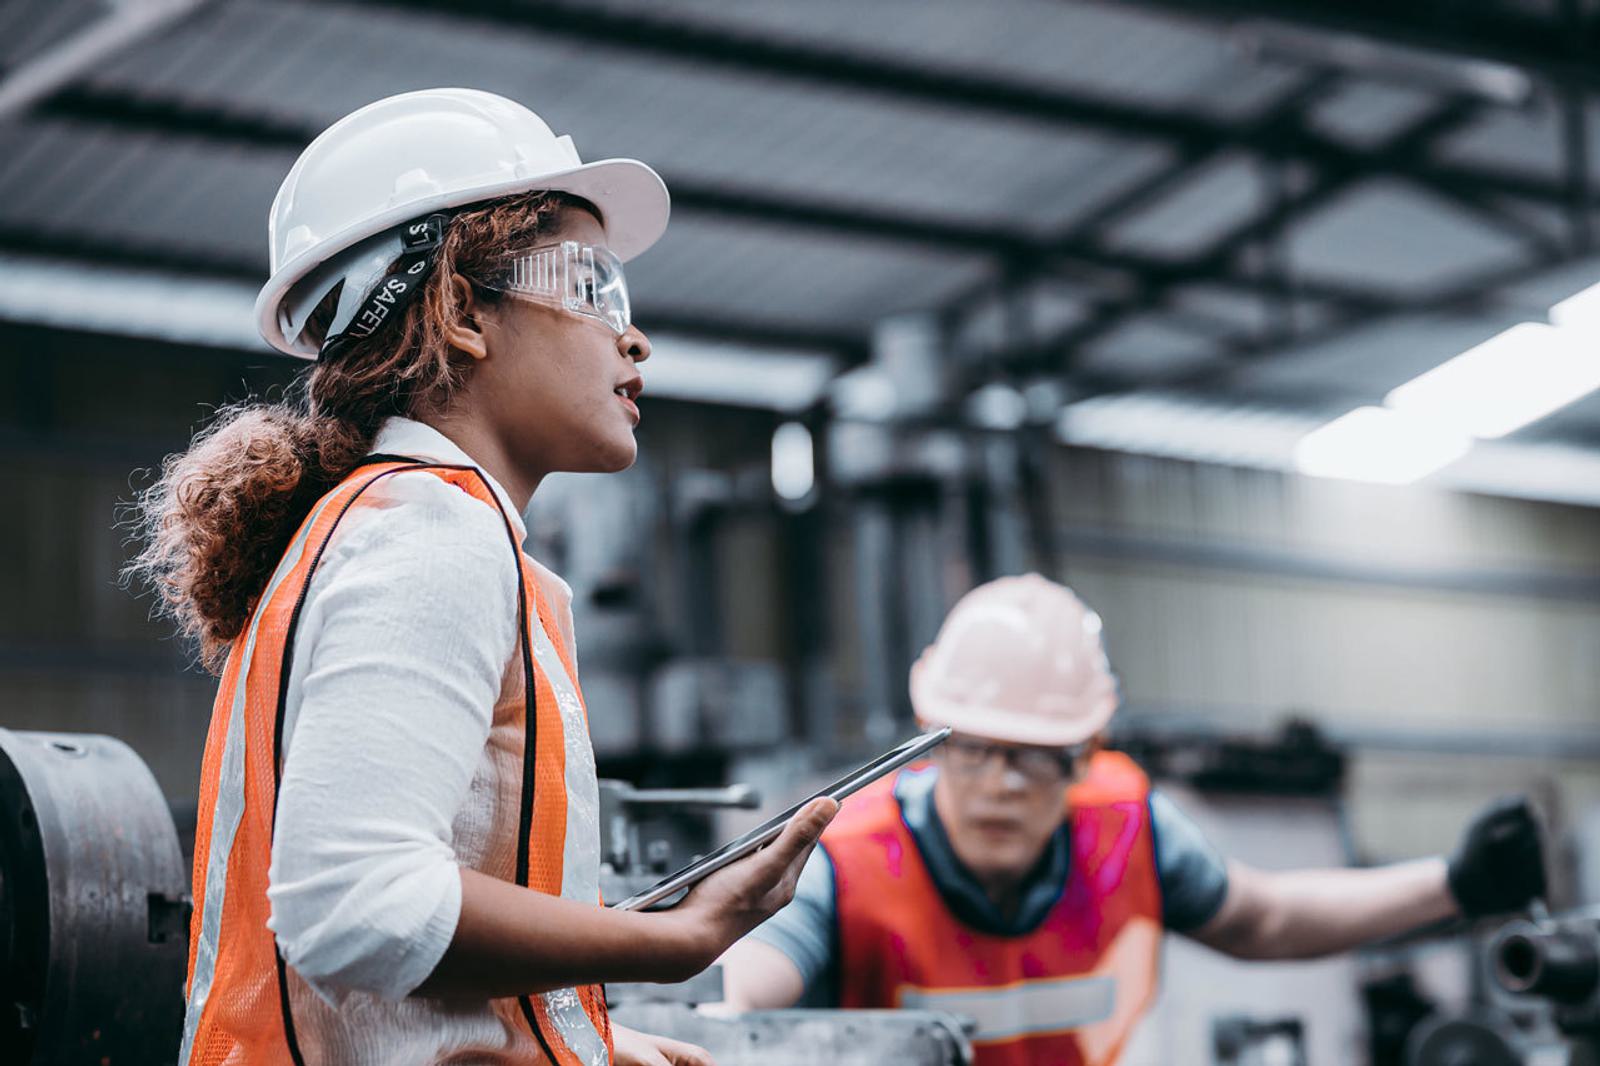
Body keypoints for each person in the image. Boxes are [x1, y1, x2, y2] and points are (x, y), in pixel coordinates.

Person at [127, 88, 834, 1066]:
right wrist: (673, 940)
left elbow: (372, 979)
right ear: (461, 310)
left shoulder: (393, 526)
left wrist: (576, 1034)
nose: (634, 340)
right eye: (593, 288)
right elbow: (353, 905)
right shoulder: (430, 534)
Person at [720, 573, 1547, 1066]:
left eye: (1037, 754)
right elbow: (749, 981)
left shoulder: (1128, 834)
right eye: (975, 748)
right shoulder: (851, 860)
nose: (1003, 783)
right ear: (934, 744)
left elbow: (1264, 918)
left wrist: (1457, 883)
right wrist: (693, 1019)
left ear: (1084, 755)